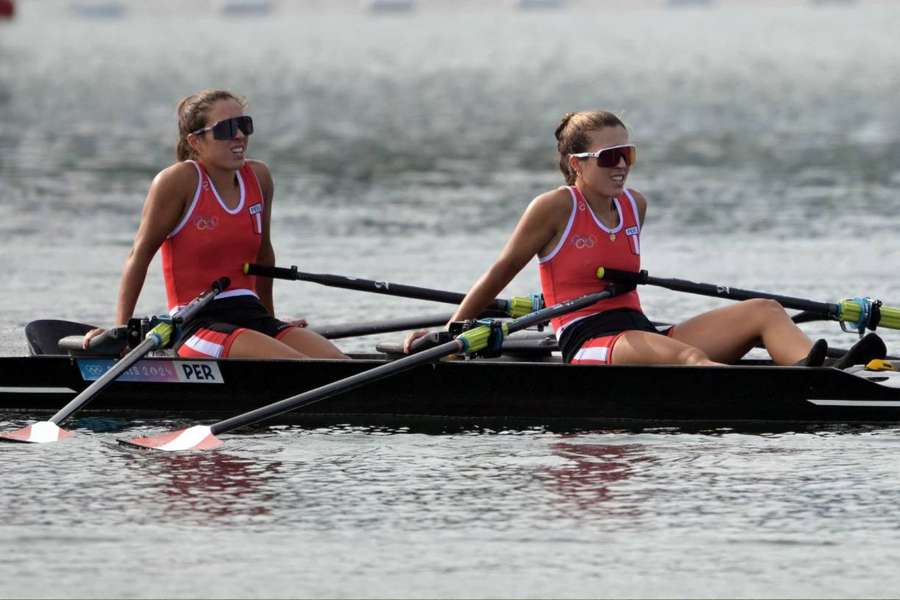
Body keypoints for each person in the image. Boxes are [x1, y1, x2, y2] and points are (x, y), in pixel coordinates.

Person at [404, 110, 885, 368]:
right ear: (578, 163)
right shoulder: (554, 207)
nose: (621, 166)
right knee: (684, 357)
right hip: (587, 343)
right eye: (609, 156)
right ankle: (764, 389)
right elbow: (502, 270)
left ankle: (820, 372)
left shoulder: (636, 205)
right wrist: (454, 331)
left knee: (764, 310)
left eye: (627, 154)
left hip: (640, 332)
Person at [84, 89, 347, 360]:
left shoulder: (259, 177)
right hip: (196, 324)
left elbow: (264, 256)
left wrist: (272, 323)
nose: (239, 135)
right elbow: (139, 256)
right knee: (302, 368)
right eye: (226, 129)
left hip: (252, 314)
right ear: (195, 141)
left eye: (244, 125)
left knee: (341, 366)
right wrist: (122, 330)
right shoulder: (179, 181)